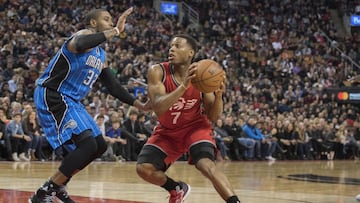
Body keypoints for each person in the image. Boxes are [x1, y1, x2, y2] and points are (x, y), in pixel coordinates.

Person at [29, 7, 150, 203]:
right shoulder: (83, 36)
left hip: (72, 101)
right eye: (106, 19)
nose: (111, 22)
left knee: (99, 146)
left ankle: (58, 185)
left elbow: (113, 86)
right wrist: (116, 31)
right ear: (93, 23)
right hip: (53, 94)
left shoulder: (101, 54)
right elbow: (81, 43)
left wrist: (140, 105)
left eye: (112, 20)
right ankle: (45, 192)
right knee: (87, 144)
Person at [136, 34, 240, 203]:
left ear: (191, 53)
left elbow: (213, 116)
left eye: (178, 46)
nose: (172, 49)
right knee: (144, 169)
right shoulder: (157, 71)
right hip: (168, 132)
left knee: (205, 165)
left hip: (195, 128)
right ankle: (176, 189)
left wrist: (219, 95)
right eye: (171, 46)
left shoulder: (201, 74)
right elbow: (158, 107)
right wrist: (184, 86)